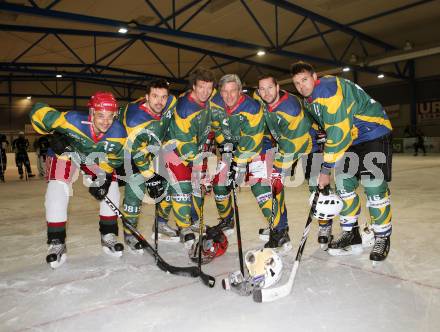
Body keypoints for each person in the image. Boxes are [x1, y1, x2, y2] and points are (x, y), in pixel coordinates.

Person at [291, 61, 393, 263]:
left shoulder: (327, 91)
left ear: (314, 76)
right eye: (296, 83)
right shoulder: (310, 101)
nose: (301, 86)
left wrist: (325, 169)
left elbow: (338, 133)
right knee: (345, 185)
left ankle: (382, 236)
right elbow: (321, 129)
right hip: (351, 139)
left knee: (373, 187)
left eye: (304, 79)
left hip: (373, 132)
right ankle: (351, 232)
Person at [30, 92, 127, 268]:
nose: (106, 122)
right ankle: (57, 241)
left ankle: (108, 235)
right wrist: (51, 133)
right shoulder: (72, 119)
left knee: (111, 188)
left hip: (92, 158)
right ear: (91, 112)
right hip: (64, 155)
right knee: (57, 188)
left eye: (110, 116)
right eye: (100, 115)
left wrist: (103, 179)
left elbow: (114, 159)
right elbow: (37, 111)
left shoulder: (119, 132)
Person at [210, 74, 291, 251]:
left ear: (240, 91)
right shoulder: (214, 102)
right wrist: (225, 148)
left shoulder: (252, 108)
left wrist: (237, 165)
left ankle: (280, 230)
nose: (229, 96)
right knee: (219, 183)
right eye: (225, 91)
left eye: (233, 91)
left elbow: (251, 142)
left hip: (258, 148)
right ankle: (227, 219)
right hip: (232, 149)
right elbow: (216, 127)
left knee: (261, 188)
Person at [256, 75, 334, 247]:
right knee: (273, 183)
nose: (266, 93)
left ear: (277, 87)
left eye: (269, 88)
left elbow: (294, 144)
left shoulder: (289, 108)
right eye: (262, 89)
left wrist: (279, 165)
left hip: (307, 144)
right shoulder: (262, 100)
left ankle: (325, 226)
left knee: (317, 186)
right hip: (286, 143)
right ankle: (279, 226)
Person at [118, 79, 179, 252]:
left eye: (163, 97)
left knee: (166, 186)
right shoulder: (135, 120)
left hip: (153, 150)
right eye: (155, 96)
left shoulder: (171, 102)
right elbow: (137, 154)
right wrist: (151, 178)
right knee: (135, 193)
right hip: (130, 153)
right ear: (146, 97)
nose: (160, 101)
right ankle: (129, 234)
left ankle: (160, 225)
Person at [167, 68, 216, 248]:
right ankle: (183, 227)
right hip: (177, 153)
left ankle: (194, 219)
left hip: (195, 151)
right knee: (183, 188)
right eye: (201, 87)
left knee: (197, 190)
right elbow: (184, 143)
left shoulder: (207, 101)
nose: (205, 92)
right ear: (193, 86)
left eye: (209, 88)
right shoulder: (185, 107)